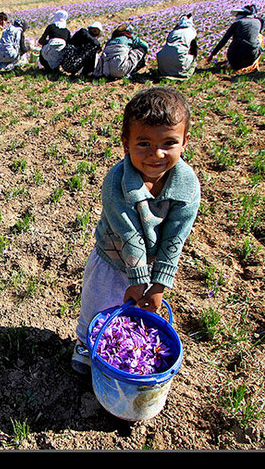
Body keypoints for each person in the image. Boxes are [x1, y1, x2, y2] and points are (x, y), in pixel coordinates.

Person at [71, 86, 201, 374]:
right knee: (97, 303)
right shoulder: (117, 181)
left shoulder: (187, 185)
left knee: (136, 311)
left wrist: (158, 285)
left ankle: (119, 350)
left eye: (169, 143)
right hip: (112, 257)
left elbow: (175, 238)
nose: (156, 154)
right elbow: (128, 235)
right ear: (125, 143)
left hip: (151, 262)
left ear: (184, 142)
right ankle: (84, 343)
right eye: (143, 143)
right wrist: (138, 280)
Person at [206, 4, 265, 74]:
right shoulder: (258, 22)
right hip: (252, 55)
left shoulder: (237, 23)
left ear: (243, 14)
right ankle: (254, 65)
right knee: (260, 37)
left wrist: (212, 54)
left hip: (235, 57)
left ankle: (233, 65)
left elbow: (224, 40)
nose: (237, 16)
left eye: (238, 14)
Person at [156, 14, 198, 80]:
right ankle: (181, 71)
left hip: (162, 60)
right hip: (179, 59)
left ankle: (168, 69)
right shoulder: (191, 31)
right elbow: (194, 50)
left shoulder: (173, 32)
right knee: (192, 58)